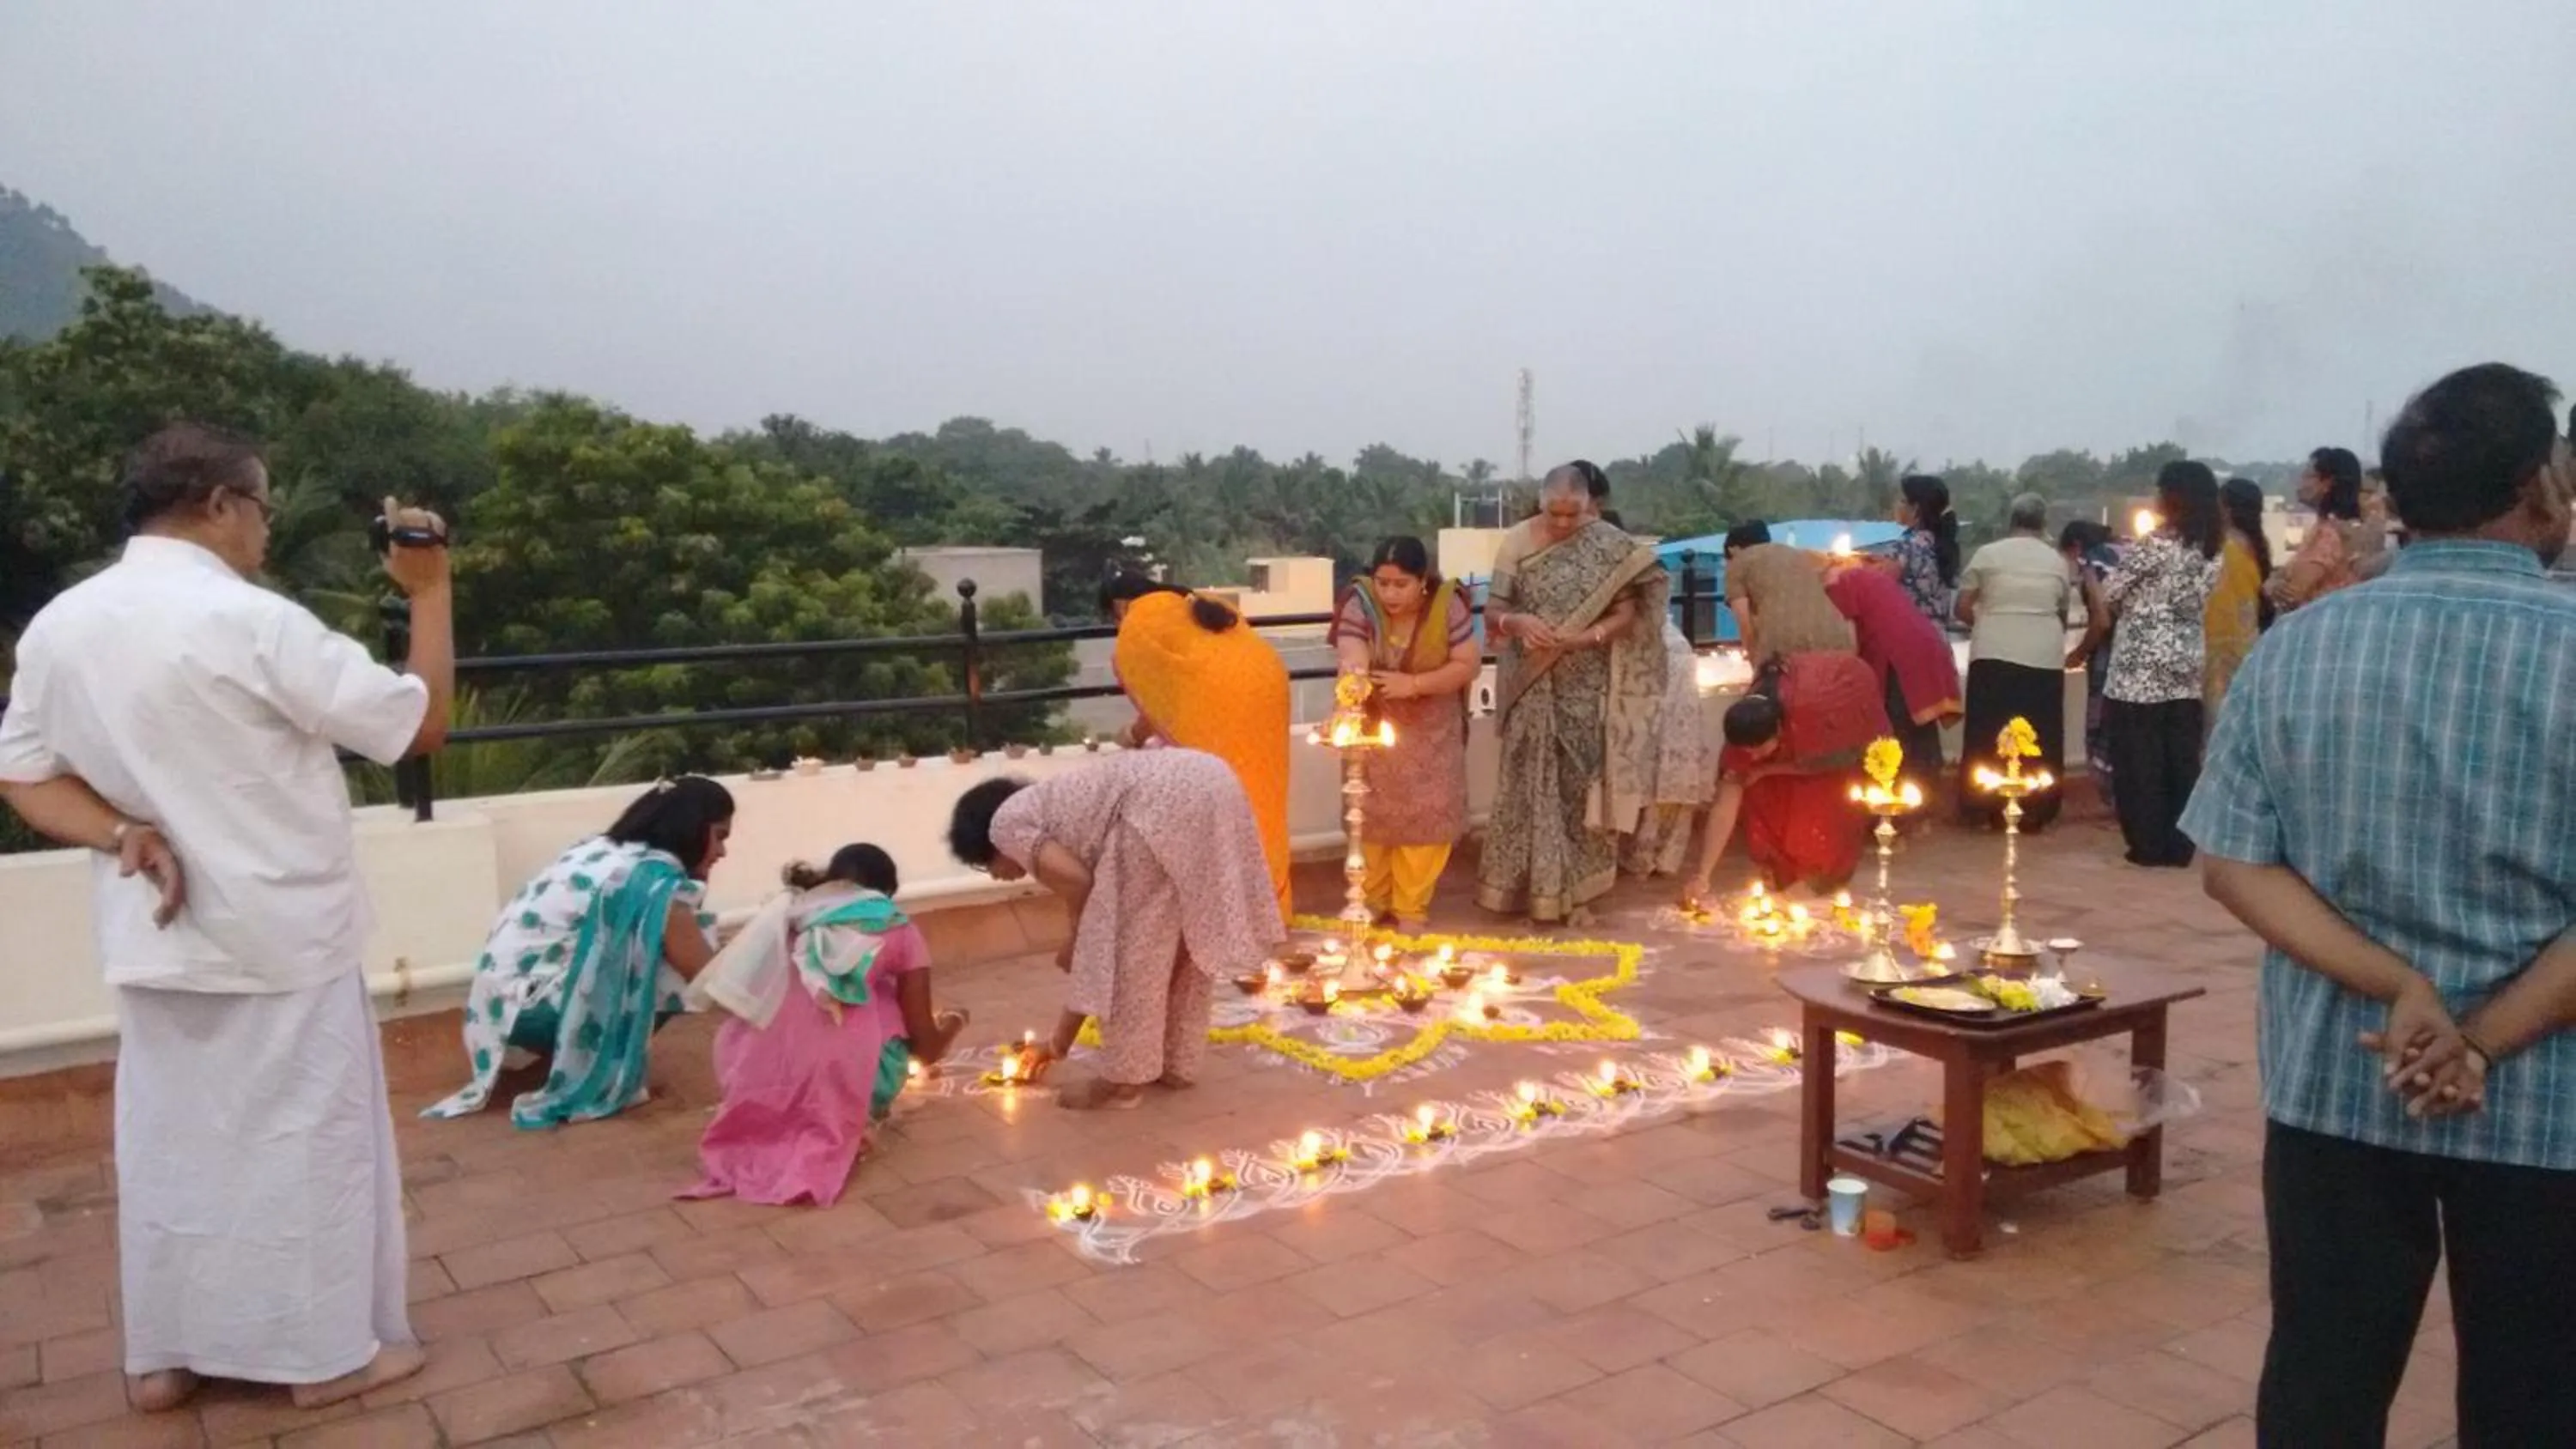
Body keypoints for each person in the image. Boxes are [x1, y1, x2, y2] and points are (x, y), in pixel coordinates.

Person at [0, 423, 453, 1410]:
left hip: (154, 938)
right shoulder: (252, 621)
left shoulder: (61, 626)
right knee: (307, 1146)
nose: (266, 531)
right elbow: (418, 723)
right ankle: (326, 1357)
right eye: (262, 508)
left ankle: (165, 1356)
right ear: (218, 503)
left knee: (171, 1150)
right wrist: (428, 592)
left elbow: (23, 773)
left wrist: (122, 830)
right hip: (281, 934)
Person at [2179, 362, 2576, 1446]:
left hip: (2340, 1083)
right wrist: (2480, 1041)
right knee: (2537, 1393)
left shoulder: (2299, 646)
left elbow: (2233, 863)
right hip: (2548, 1110)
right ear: (2537, 485)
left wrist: (2401, 985)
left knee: (2323, 1378)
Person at [947, 749, 1284, 1109]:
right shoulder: (1056, 811)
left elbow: (1081, 887)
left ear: (988, 842)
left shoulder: (1005, 825)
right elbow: (1084, 904)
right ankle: (1176, 1063)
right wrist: (1058, 1043)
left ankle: (1122, 1083)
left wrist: (1076, 942)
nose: (996, 876)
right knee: (1186, 933)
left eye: (984, 865)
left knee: (1128, 957)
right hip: (1213, 778)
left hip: (1158, 804)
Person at [425, 778, 732, 1127]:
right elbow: (705, 974)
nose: (722, 852)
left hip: (498, 1007)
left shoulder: (603, 847)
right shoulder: (651, 878)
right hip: (531, 1010)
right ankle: (588, 1069)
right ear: (691, 828)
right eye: (719, 836)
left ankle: (567, 1056)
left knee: (653, 943)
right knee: (666, 966)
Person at [682, 845, 967, 1207]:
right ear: (885, 893)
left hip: (750, 1069)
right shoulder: (896, 926)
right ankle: (862, 1113)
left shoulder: (789, 917)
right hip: (839, 1071)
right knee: (880, 1003)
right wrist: (954, 1023)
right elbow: (925, 1045)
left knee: (861, 994)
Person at [1475, 463, 1668, 923]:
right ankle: (1525, 889)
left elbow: (1628, 612)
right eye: (1554, 513)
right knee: (1525, 783)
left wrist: (1587, 637)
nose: (1563, 523)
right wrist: (1518, 622)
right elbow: (1494, 610)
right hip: (1530, 677)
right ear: (1540, 503)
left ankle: (1577, 890)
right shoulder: (1517, 540)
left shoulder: (1607, 544)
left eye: (1572, 514)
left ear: (1588, 506)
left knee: (1580, 785)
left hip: (1586, 680)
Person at [1327, 537, 1479, 930]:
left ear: (1423, 581)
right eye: (1383, 583)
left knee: (1428, 817)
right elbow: (1352, 655)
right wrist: (1351, 693)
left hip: (1431, 729)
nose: (1390, 594)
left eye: (1401, 585)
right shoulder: (1361, 601)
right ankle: (1372, 900)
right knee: (1369, 813)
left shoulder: (1447, 604)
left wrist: (1413, 684)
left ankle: (1411, 907)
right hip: (1375, 721)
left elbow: (1467, 664)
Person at [1111, 588, 1293, 917]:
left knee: (1218, 815)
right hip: (1266, 696)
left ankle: (1226, 915)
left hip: (1220, 727)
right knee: (1260, 803)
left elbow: (1157, 703)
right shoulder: (1192, 606)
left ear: (1120, 604)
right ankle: (1264, 909)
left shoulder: (1141, 621)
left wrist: (1130, 736)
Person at [1680, 652, 1888, 901]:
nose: (1753, 756)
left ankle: (1822, 873)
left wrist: (1767, 769)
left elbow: (1833, 761)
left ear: (1780, 729)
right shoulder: (1745, 729)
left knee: (1824, 795)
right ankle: (1780, 864)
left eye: (1759, 750)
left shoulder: (1810, 715)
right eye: (1747, 751)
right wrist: (1703, 875)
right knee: (1755, 785)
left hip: (1842, 699)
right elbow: (1725, 803)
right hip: (1800, 717)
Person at [2101, 462, 2223, 867]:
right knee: (2180, 754)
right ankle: (2179, 843)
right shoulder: (2213, 549)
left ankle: (2147, 842)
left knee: (2139, 755)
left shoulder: (2154, 545)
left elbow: (2111, 591)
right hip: (2186, 659)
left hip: (2140, 661)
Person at [1956, 494, 2079, 829]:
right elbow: (2062, 613)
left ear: (2010, 521)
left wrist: (1989, 623)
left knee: (1988, 731)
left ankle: (1983, 806)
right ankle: (2037, 807)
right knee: (2040, 733)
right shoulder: (2056, 562)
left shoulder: (1987, 554)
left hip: (1993, 652)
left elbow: (1962, 607)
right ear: (2043, 524)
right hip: (2043, 656)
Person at [1823, 554, 1960, 792]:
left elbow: (1849, 642)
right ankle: (1928, 797)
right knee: (1921, 729)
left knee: (1895, 729)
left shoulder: (1840, 584)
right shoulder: (1872, 577)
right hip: (1925, 645)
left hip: (1896, 655)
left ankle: (1899, 798)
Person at [1624, 613, 1716, 877]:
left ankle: (1642, 857)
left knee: (1648, 782)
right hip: (1679, 727)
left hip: (1653, 719)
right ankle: (1666, 859)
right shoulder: (1677, 640)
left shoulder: (1645, 641)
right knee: (1669, 782)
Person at [2266, 446, 2382, 613]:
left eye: (2307, 476)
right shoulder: (2326, 529)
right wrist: (2273, 582)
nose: (2300, 482)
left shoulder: (2330, 535)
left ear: (2327, 483)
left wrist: (2271, 586)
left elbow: (2291, 595)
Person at [1722, 524, 1854, 663]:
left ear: (1732, 549)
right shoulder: (1798, 554)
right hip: (1836, 636)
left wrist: (1754, 658)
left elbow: (1744, 621)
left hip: (1785, 644)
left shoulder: (1739, 562)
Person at [2060, 519, 2123, 785]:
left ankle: (2107, 787)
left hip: (2110, 658)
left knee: (2102, 729)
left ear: (2076, 547)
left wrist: (2080, 653)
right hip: (2144, 656)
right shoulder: (2125, 552)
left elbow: (2102, 620)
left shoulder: (2091, 564)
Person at [2204, 477, 2275, 712]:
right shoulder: (2258, 545)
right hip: (2248, 641)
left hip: (2219, 645)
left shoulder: (2226, 548)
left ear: (2226, 509)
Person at [1876, 473, 1961, 627]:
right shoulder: (1945, 546)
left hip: (1909, 635)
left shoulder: (1905, 548)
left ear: (1915, 508)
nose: (1896, 505)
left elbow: (1879, 590)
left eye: (1902, 500)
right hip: (1937, 636)